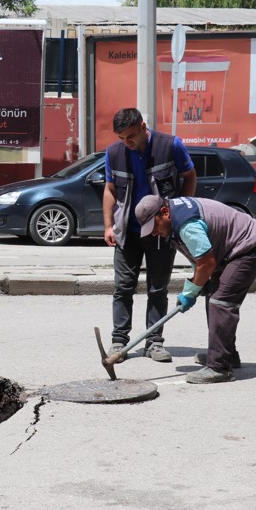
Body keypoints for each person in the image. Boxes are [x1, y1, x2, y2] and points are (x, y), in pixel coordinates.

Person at [135, 194, 256, 384]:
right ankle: (225, 354)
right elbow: (199, 258)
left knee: (221, 301)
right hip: (233, 249)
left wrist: (190, 292)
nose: (153, 233)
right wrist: (194, 285)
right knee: (214, 295)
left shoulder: (186, 224)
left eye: (154, 226)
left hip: (252, 247)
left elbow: (206, 263)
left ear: (165, 212)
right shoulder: (176, 217)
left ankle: (220, 367)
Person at [102, 107, 197, 363]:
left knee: (157, 288)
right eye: (121, 138)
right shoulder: (113, 153)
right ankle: (119, 342)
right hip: (128, 232)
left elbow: (189, 175)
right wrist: (109, 225)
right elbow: (110, 189)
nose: (126, 142)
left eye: (130, 136)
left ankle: (154, 342)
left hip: (160, 230)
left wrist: (181, 212)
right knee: (123, 288)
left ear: (144, 128)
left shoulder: (171, 145)